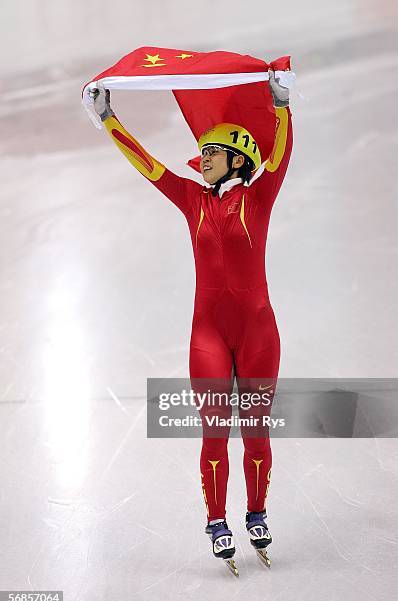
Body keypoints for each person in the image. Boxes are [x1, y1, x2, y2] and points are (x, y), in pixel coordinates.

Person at [90, 71, 292, 573]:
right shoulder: (191, 201)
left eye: (210, 153)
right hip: (207, 334)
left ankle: (257, 511)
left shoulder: (259, 196)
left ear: (238, 160)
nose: (201, 160)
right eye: (201, 154)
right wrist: (109, 119)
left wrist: (281, 106)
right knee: (214, 432)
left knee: (256, 430)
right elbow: (150, 167)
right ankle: (217, 519)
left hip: (258, 332)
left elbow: (281, 156)